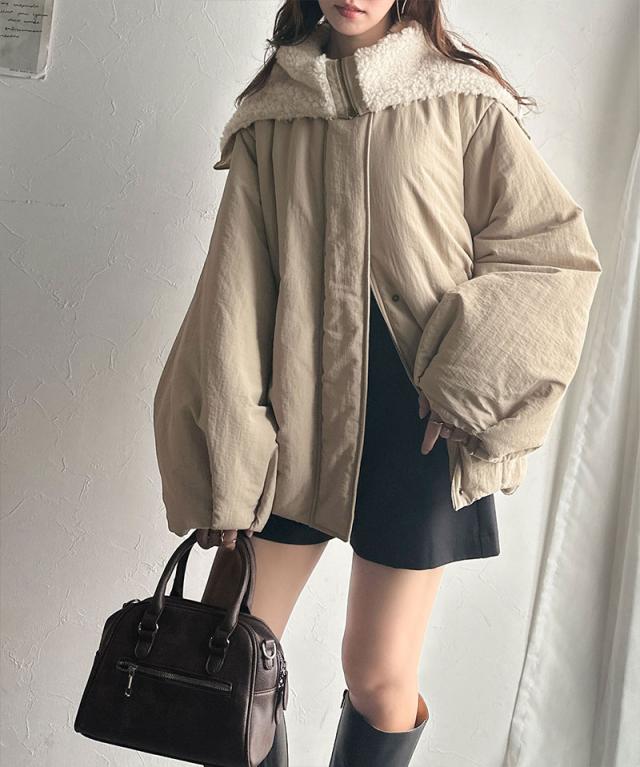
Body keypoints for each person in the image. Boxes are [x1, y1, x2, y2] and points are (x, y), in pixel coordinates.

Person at [153, 1, 602, 765]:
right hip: (295, 423)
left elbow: (550, 254)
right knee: (228, 653)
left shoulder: (459, 101)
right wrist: (221, 463)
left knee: (377, 671)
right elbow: (232, 298)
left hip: (418, 425)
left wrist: (469, 379)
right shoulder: (273, 116)